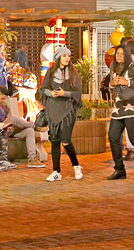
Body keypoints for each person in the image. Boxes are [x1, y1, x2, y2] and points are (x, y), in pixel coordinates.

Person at [105, 42, 134, 181]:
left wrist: (128, 82)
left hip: (132, 108)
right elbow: (112, 88)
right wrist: (111, 84)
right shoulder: (114, 67)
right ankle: (119, 169)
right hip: (118, 109)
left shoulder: (132, 67)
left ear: (126, 55)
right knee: (113, 136)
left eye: (121, 53)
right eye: (117, 54)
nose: (119, 56)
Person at [37, 46, 83, 181]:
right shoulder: (51, 73)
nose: (67, 58)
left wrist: (65, 94)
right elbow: (43, 88)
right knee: (55, 141)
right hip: (52, 110)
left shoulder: (73, 74)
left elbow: (77, 93)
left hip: (67, 112)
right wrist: (50, 93)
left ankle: (76, 166)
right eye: (64, 56)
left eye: (68, 56)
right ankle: (56, 171)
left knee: (66, 141)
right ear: (58, 58)